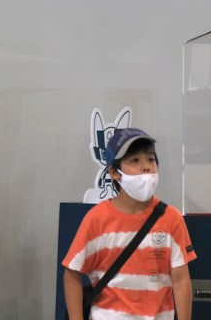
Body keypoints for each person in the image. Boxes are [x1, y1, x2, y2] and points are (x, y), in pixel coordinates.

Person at [62, 127, 196, 320]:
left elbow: (181, 279)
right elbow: (72, 273)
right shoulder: (97, 220)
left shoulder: (171, 218)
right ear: (114, 173)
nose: (146, 167)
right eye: (135, 160)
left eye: (150, 159)